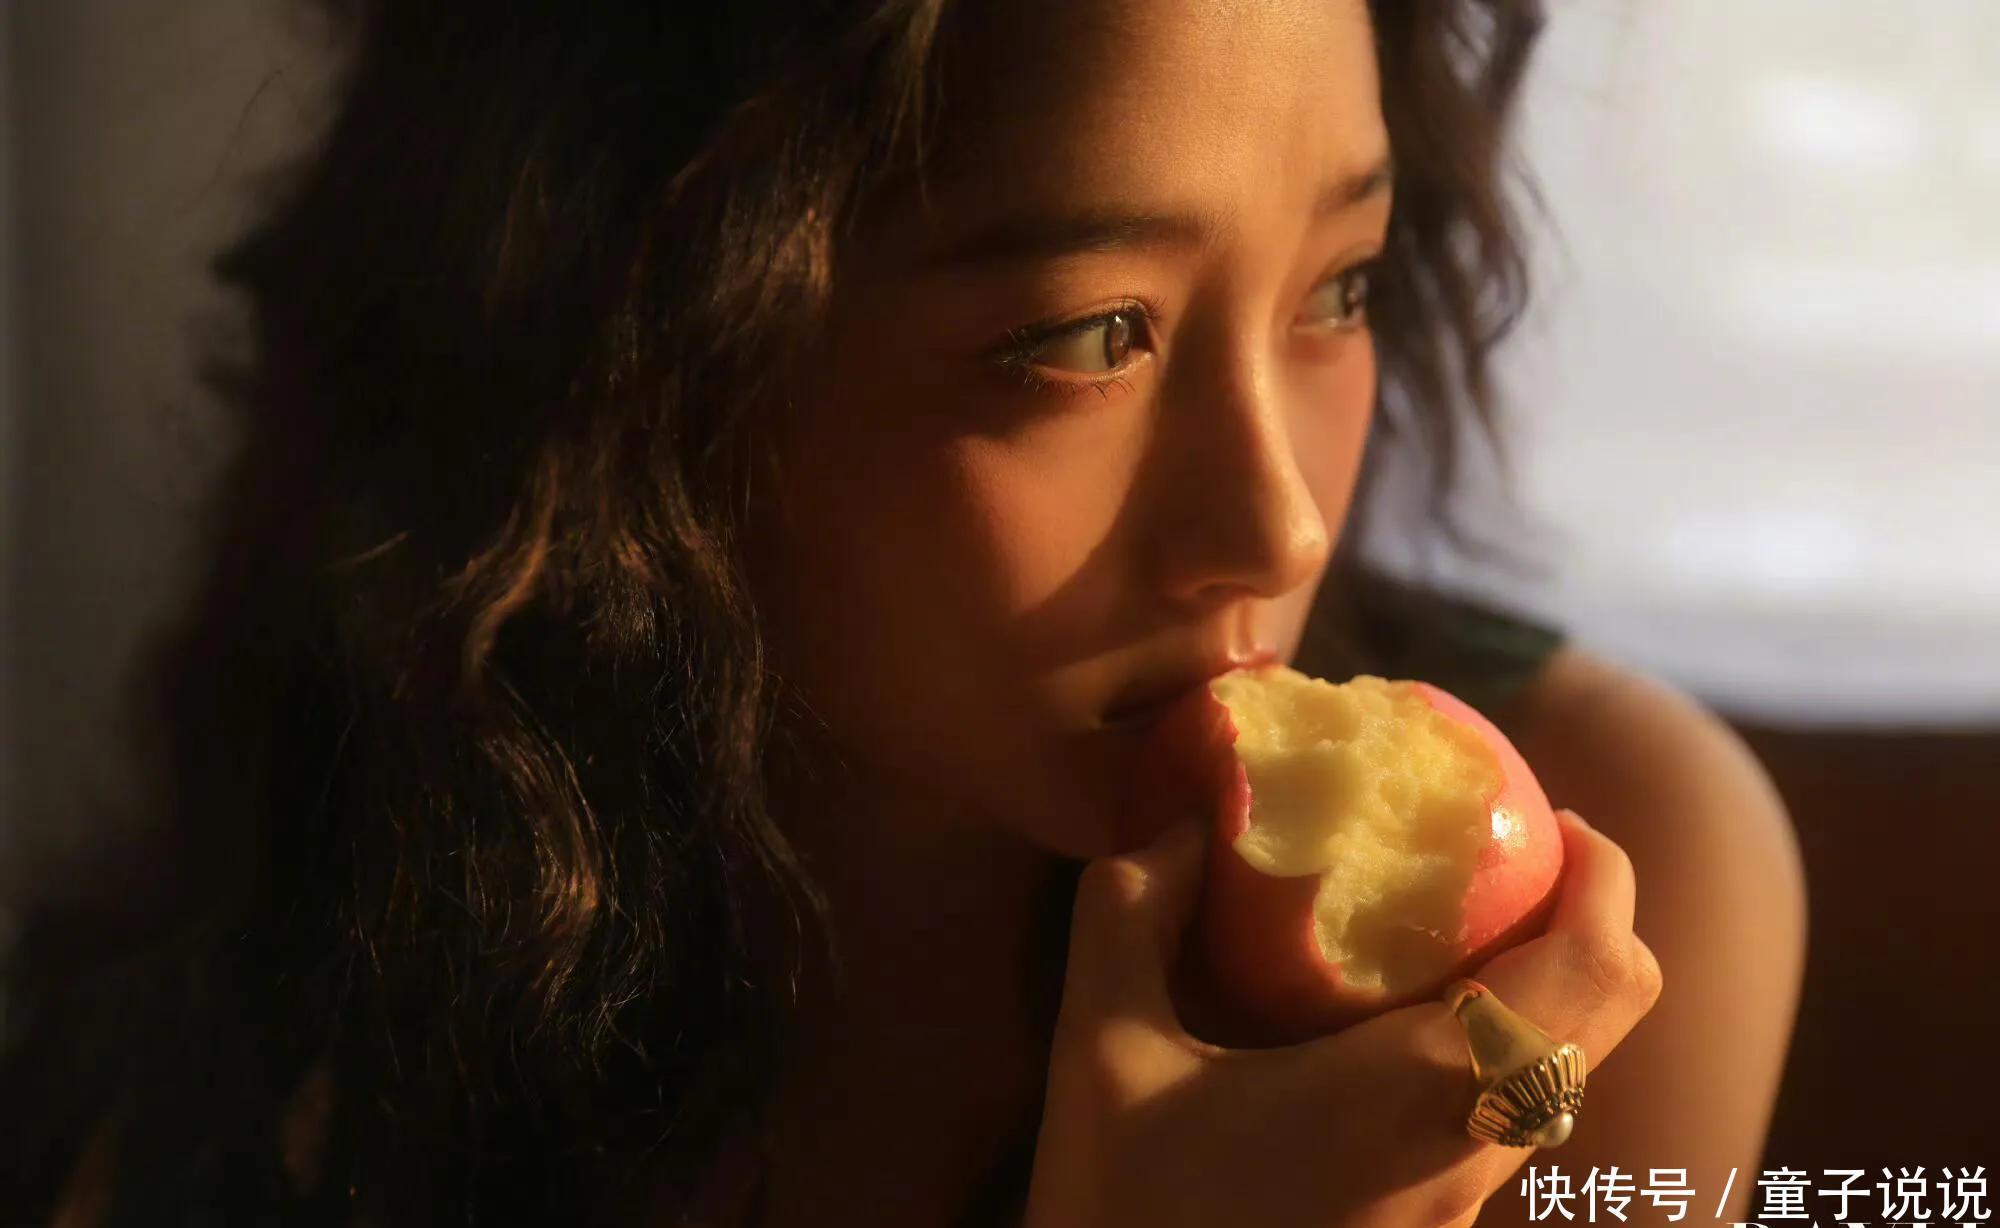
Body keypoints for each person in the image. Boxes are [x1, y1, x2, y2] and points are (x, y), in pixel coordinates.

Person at [0, 0, 1808, 1225]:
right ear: (642, 359)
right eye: (1089, 336)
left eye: (1339, 288)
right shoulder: (325, 1006)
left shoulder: (1600, 907)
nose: (1278, 520)